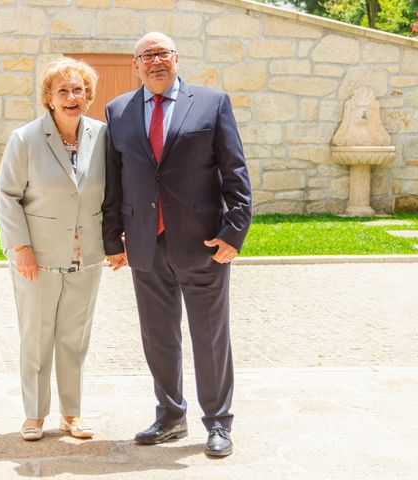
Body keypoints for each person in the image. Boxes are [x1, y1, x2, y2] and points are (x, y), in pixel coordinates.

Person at [102, 32, 252, 456]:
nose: (154, 62)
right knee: (158, 336)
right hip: (145, 245)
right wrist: (113, 239)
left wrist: (234, 232)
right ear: (136, 64)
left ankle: (218, 422)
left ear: (176, 58)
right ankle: (170, 416)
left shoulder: (211, 102)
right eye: (146, 55)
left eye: (162, 54)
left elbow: (235, 170)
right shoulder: (118, 111)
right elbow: (116, 179)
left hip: (203, 242)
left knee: (210, 336)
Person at [0, 57, 105, 441]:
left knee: (74, 338)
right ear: (49, 97)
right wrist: (20, 247)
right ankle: (34, 415)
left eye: (78, 90)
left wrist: (115, 243)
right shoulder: (25, 139)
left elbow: (112, 195)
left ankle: (71, 414)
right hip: (36, 258)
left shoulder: (103, 136)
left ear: (88, 95)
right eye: (63, 91)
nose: (72, 97)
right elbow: (7, 196)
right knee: (37, 335)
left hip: (86, 256)